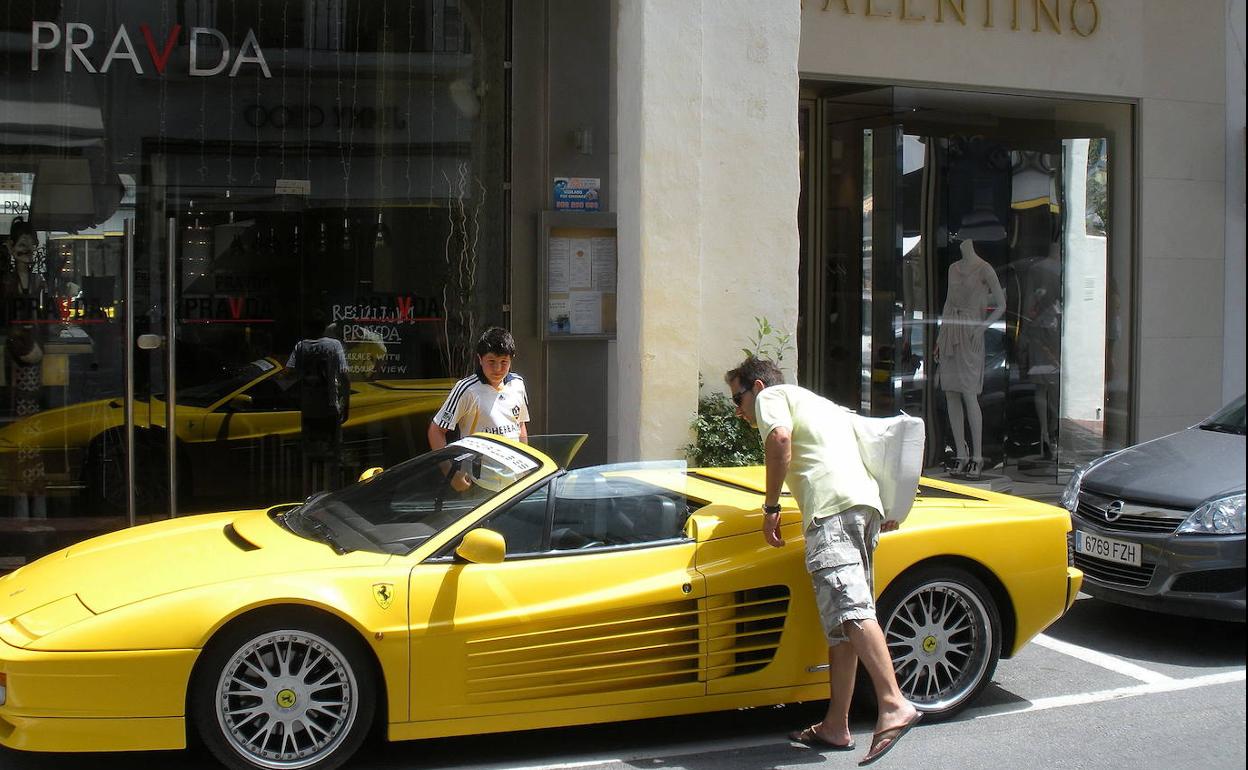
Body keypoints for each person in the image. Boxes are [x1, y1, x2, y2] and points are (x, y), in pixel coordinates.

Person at [725, 356, 921, 766]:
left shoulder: (771, 398)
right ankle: (837, 724)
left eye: (737, 398)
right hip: (864, 507)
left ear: (756, 387)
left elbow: (779, 439)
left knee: (850, 610)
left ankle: (893, 702)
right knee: (841, 625)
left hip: (831, 512)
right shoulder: (817, 402)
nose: (738, 410)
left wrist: (771, 507)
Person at [934, 238, 1005, 479]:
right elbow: (947, 302)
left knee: (969, 394)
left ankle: (977, 456)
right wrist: (940, 336)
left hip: (971, 335)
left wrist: (981, 328)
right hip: (951, 332)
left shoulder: (985, 268)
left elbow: (1001, 305)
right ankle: (960, 454)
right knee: (951, 393)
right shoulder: (953, 268)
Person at [429, 325, 529, 454]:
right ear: (480, 359)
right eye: (491, 361)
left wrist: (527, 464)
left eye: (504, 362)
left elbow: (520, 425)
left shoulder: (517, 383)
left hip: (514, 470)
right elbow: (436, 430)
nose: (498, 369)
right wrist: (450, 470)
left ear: (511, 359)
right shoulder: (467, 389)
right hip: (478, 472)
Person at [287, 319, 350, 495]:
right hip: (330, 407)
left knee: (309, 455)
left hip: (309, 408)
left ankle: (308, 493)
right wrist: (346, 404)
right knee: (334, 455)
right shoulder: (334, 345)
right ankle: (333, 492)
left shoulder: (301, 346)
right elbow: (344, 376)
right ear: (323, 328)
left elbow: (290, 373)